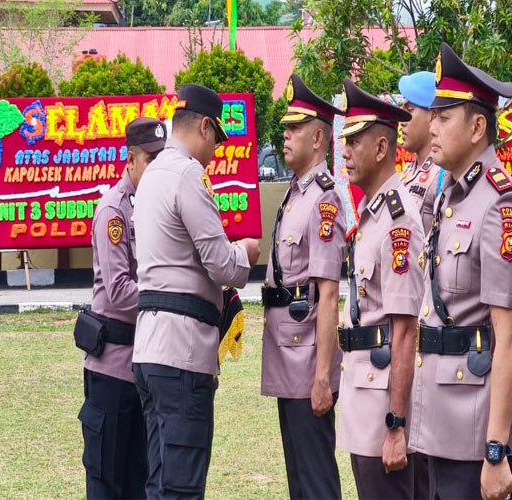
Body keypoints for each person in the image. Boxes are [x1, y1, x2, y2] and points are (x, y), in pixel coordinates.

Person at [407, 42, 512, 500]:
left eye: (444, 117)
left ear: (478, 127)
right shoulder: (450, 195)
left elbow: (510, 338)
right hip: (441, 422)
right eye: (433, 116)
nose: (431, 127)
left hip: (477, 432)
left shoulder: (500, 204)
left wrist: (496, 449)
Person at [131, 83, 260, 499]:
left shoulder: (152, 175)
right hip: (181, 353)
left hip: (150, 349)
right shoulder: (188, 174)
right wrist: (246, 253)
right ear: (205, 126)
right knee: (181, 487)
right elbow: (221, 264)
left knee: (160, 482)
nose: (215, 151)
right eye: (216, 139)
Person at [337, 77, 424, 499]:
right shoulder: (373, 214)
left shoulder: (398, 219)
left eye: (355, 141)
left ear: (381, 148)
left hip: (383, 409)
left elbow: (405, 330)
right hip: (363, 396)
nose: (345, 151)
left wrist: (396, 425)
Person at [260, 73, 346, 499]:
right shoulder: (297, 193)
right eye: (286, 127)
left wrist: (322, 377)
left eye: (295, 128)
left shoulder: (323, 198)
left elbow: (327, 295)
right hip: (287, 355)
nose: (286, 135)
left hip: (307, 361)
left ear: (317, 139)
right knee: (299, 479)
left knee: (315, 481)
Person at [77, 117, 165, 500]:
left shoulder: (155, 208)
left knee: (139, 482)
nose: (157, 170)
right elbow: (119, 291)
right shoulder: (114, 211)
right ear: (131, 160)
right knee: (107, 481)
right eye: (150, 160)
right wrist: (167, 300)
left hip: (144, 365)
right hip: (112, 369)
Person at [398, 70, 442, 235]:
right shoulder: (408, 170)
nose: (402, 121)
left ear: (432, 116)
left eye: (409, 111)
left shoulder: (443, 175)